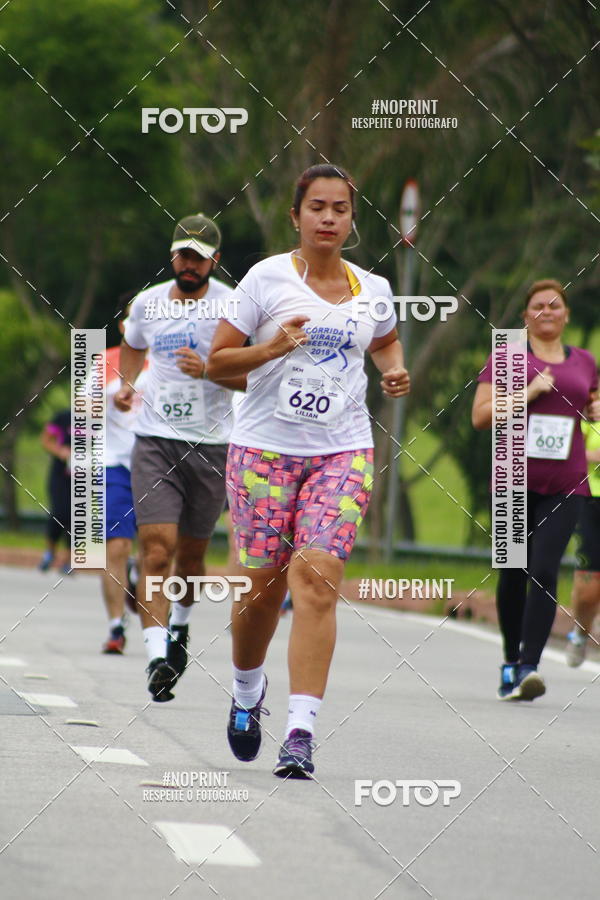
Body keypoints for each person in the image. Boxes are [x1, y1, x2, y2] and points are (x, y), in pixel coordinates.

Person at [207, 164, 409, 778]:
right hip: (263, 450)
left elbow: (385, 341)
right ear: (295, 216)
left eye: (339, 209)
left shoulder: (373, 287)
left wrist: (393, 371)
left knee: (317, 580)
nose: (328, 217)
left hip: (342, 452)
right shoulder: (264, 280)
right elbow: (217, 363)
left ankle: (300, 732)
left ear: (351, 219)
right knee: (261, 589)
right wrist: (270, 349)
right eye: (316, 207)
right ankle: (246, 692)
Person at [114, 213, 243, 701]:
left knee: (190, 557)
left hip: (211, 445)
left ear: (215, 259)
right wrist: (127, 386)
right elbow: (131, 346)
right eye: (183, 254)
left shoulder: (232, 305)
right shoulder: (147, 303)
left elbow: (253, 370)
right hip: (153, 441)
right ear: (173, 256)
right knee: (157, 550)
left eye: (200, 256)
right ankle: (155, 657)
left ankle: (181, 627)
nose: (190, 264)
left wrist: (212, 370)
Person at [472, 279, 599, 701]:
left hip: (567, 482)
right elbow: (481, 415)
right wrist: (528, 393)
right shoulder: (507, 356)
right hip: (512, 478)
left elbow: (591, 405)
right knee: (513, 571)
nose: (547, 311)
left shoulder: (584, 361)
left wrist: (594, 409)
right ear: (525, 316)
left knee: (544, 569)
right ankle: (509, 660)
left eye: (555, 305)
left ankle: (529, 666)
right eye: (538, 306)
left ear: (566, 315)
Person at [99, 293, 149, 654]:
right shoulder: (104, 362)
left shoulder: (165, 362)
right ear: (122, 325)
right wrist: (110, 396)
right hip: (115, 464)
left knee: (155, 550)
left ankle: (149, 612)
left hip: (157, 466)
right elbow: (81, 409)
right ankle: (117, 627)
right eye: (132, 318)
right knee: (116, 547)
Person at [565, 417, 600, 666]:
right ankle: (580, 632)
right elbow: (568, 448)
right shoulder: (593, 407)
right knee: (588, 592)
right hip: (591, 501)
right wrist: (590, 454)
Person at [39, 409, 72, 574]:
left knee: (77, 516)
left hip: (85, 478)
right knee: (58, 512)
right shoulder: (63, 417)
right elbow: (45, 440)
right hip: (60, 476)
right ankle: (50, 552)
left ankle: (67, 561)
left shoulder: (101, 422)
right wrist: (60, 452)